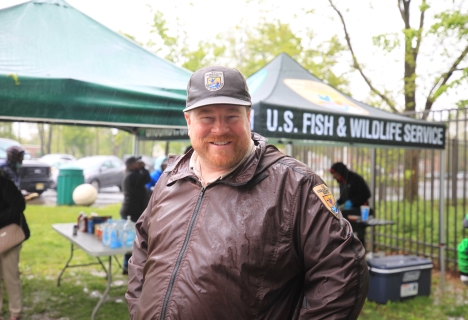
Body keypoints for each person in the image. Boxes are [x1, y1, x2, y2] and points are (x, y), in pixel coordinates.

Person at [126, 66, 369, 319]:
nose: (219, 129)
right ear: (188, 121)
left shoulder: (294, 186)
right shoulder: (170, 178)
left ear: (248, 117)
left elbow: (343, 271)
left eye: (231, 116)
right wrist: (139, 309)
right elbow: (143, 248)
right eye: (206, 117)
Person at [0, 168, 31, 320]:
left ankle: (15, 312)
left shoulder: (4, 184)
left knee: (10, 274)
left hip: (8, 236)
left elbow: (18, 206)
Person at [120, 156, 151, 274]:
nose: (139, 163)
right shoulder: (132, 176)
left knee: (132, 240)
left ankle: (128, 266)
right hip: (131, 212)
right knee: (131, 240)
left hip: (132, 211)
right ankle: (127, 266)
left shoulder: (131, 175)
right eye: (136, 163)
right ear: (132, 165)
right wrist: (143, 168)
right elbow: (146, 178)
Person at [330, 162, 372, 246]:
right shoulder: (341, 181)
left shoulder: (356, 179)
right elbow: (344, 196)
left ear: (339, 172)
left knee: (359, 233)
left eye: (334, 174)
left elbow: (367, 194)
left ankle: (360, 248)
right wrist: (338, 203)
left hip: (360, 210)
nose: (333, 176)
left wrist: (353, 201)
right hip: (349, 211)